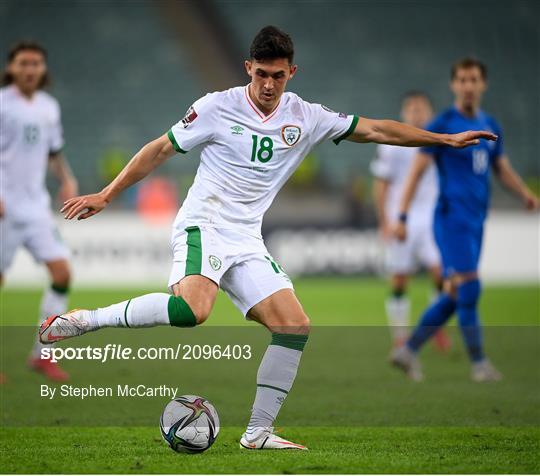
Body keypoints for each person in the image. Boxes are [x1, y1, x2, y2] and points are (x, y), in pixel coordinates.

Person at [40, 27, 495, 449]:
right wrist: (107, 193)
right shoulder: (216, 107)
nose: (269, 85)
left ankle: (258, 431)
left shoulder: (307, 116)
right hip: (205, 223)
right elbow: (160, 148)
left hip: (246, 237)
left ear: (291, 72)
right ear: (247, 69)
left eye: (278, 75)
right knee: (192, 310)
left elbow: (375, 128)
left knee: (294, 326)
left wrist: (442, 140)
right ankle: (88, 320)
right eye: (261, 74)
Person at [391, 57, 539, 382]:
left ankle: (408, 349)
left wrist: (526, 195)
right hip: (450, 218)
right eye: (462, 80)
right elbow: (416, 172)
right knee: (470, 287)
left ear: (482, 84)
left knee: (457, 294)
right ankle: (479, 363)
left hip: (476, 221)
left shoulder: (491, 124)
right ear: (453, 84)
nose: (468, 86)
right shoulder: (443, 123)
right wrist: (401, 214)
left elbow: (501, 168)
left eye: (473, 79)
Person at [0, 41, 78, 382]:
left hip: (36, 208)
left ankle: (42, 354)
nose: (30, 69)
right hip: (3, 207)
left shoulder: (49, 106)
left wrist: (68, 179)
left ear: (43, 69)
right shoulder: (2, 104)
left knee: (62, 274)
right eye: (24, 63)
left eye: (36, 64)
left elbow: (53, 152)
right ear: (12, 67)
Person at [371, 92, 449, 351]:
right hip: (400, 218)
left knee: (442, 276)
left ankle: (433, 327)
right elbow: (381, 184)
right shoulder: (392, 144)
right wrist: (384, 221)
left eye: (421, 108)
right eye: (412, 108)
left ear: (430, 112)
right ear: (404, 113)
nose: (417, 113)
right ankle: (400, 335)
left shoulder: (439, 141)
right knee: (400, 279)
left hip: (432, 217)